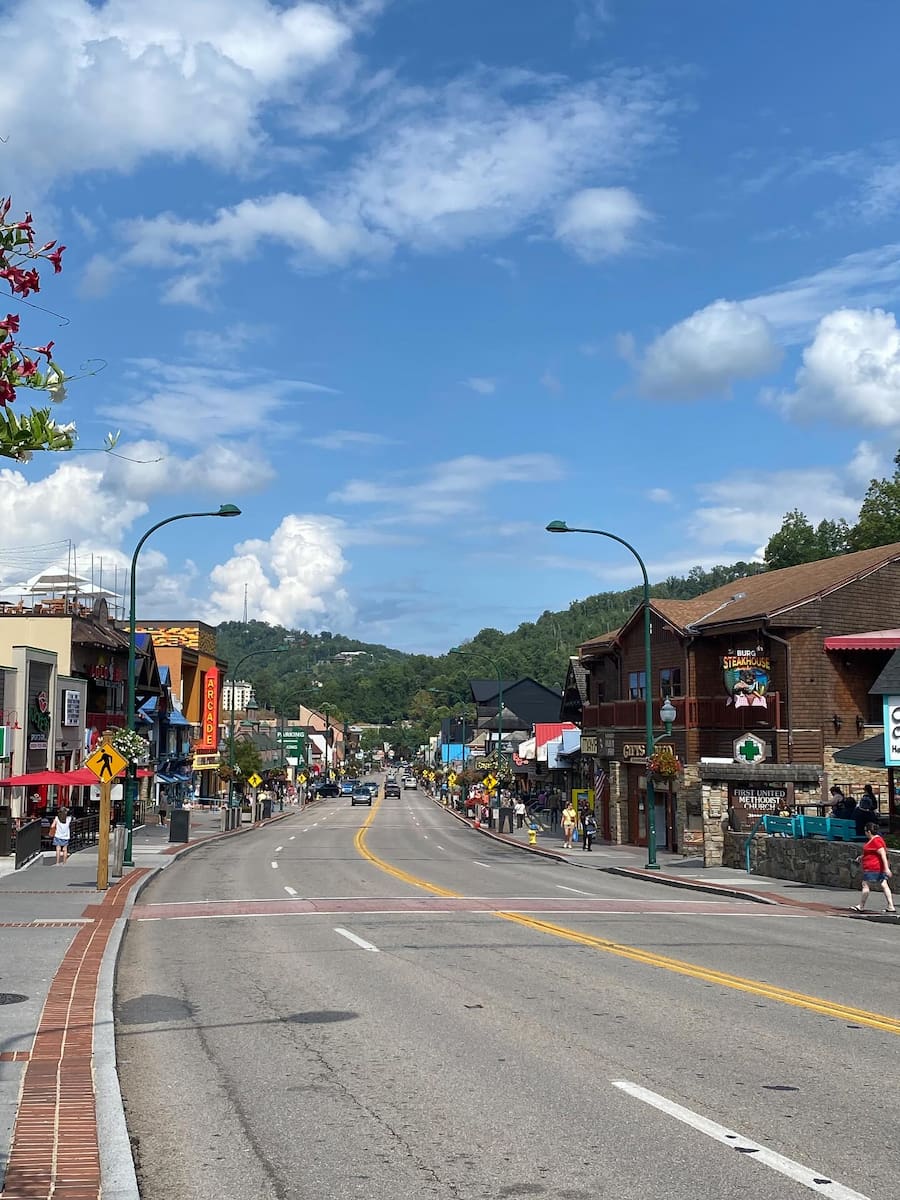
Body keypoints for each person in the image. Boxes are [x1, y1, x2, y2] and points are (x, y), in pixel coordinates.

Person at [852, 822, 895, 913]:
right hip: (877, 867)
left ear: (869, 831)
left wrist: (886, 868)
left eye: (865, 831)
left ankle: (861, 906)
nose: (865, 833)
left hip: (873, 867)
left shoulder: (876, 841)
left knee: (865, 885)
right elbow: (871, 852)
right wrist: (862, 857)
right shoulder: (875, 840)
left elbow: (882, 853)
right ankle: (891, 906)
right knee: (884, 884)